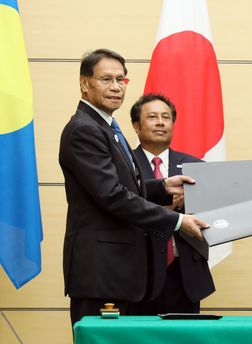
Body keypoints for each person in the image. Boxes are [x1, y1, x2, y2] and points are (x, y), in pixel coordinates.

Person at [59, 49, 208, 326]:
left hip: (118, 273)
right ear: (84, 83)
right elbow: (112, 196)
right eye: (106, 79)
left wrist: (163, 186)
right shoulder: (84, 129)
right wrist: (177, 220)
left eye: (121, 80)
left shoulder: (108, 127)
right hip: (101, 274)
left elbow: (124, 186)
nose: (115, 87)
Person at [129, 93, 214, 314]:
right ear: (137, 126)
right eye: (152, 117)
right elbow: (120, 202)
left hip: (185, 275)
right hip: (139, 274)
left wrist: (192, 201)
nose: (160, 122)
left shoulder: (195, 166)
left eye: (166, 117)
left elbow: (212, 216)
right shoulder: (124, 164)